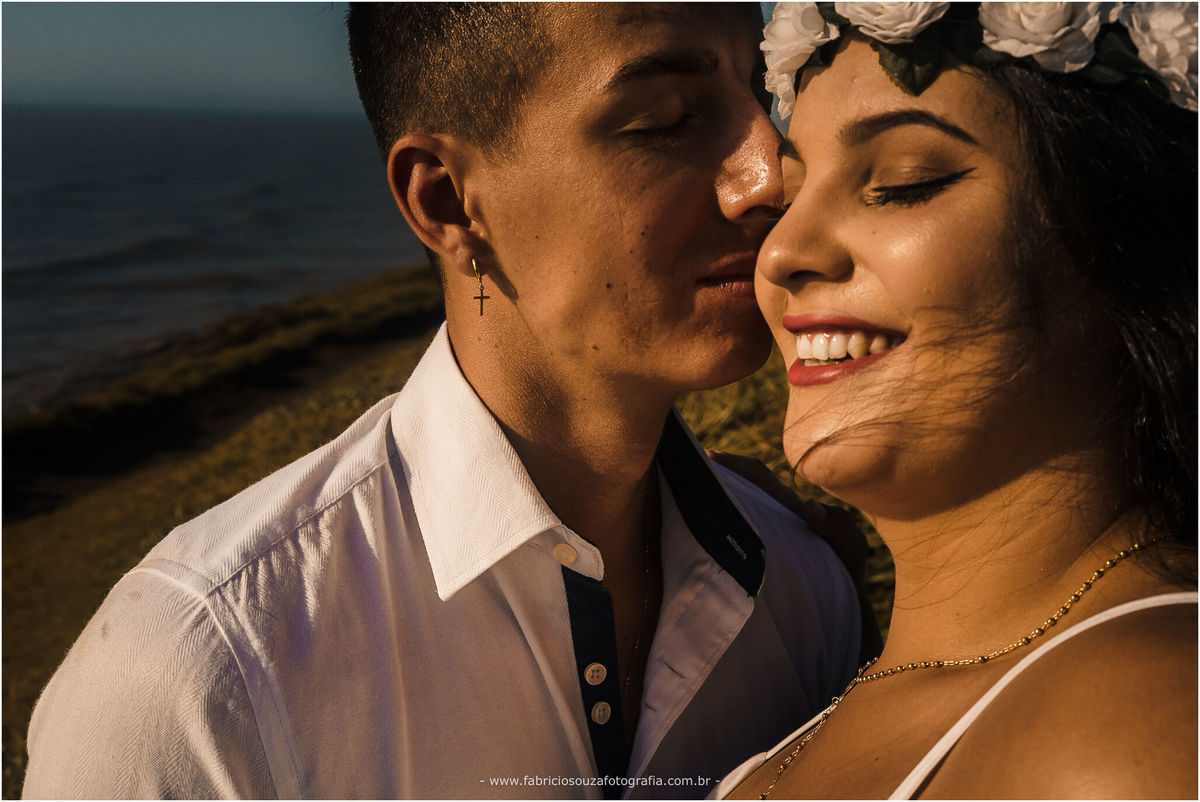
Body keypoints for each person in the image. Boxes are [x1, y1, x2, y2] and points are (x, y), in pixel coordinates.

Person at [22, 4, 864, 798]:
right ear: (448, 201)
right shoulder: (202, 674)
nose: (771, 174)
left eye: (764, 98)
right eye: (664, 121)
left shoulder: (805, 587)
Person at [716, 2, 1198, 799]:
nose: (781, 254)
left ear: (1122, 245)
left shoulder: (1134, 723)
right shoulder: (793, 715)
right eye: (789, 198)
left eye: (907, 183)